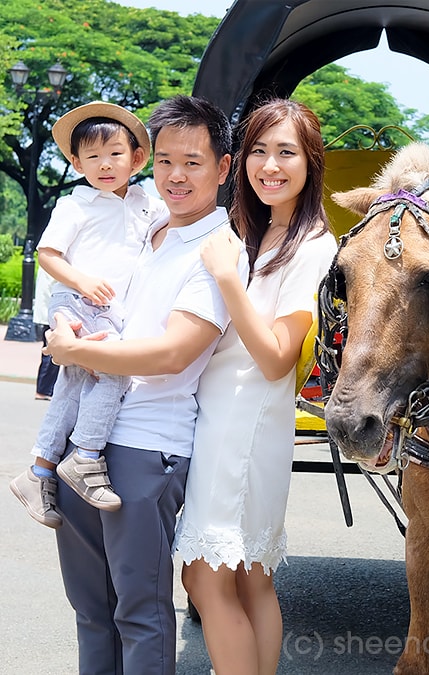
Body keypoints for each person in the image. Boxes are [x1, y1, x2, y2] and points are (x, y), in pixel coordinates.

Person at [44, 94, 248, 675]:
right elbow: (72, 281)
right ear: (148, 162)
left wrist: (75, 349)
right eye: (164, 162)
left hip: (144, 445)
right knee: (90, 609)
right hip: (84, 438)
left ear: (223, 167)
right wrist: (65, 321)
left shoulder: (217, 250)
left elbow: (176, 351)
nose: (176, 176)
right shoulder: (144, 223)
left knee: (139, 611)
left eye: (193, 162)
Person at [173, 99, 336, 675]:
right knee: (248, 581)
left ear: (311, 162)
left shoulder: (314, 244)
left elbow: (275, 360)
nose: (269, 165)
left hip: (245, 423)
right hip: (229, 415)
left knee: (204, 577)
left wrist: (225, 278)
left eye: (286, 152)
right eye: (258, 151)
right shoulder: (260, 231)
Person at [10, 101, 165, 526]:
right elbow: (48, 253)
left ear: (136, 158)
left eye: (115, 154)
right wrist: (80, 281)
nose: (105, 164)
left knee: (73, 385)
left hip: (111, 312)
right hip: (77, 303)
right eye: (92, 157)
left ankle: (40, 470)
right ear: (76, 163)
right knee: (113, 368)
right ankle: (87, 455)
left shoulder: (146, 204)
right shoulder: (76, 204)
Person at [33, 267, 60, 400]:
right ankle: (44, 390)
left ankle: (45, 389)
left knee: (50, 352)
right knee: (51, 352)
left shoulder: (46, 266)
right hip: (51, 315)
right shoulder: (53, 267)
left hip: (48, 314)